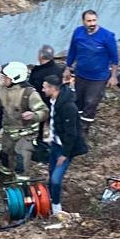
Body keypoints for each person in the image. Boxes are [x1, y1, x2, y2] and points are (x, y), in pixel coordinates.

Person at [42, 69, 87, 222]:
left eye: (45, 87)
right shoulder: (54, 101)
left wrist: (65, 154)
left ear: (53, 89)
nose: (43, 90)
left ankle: (56, 208)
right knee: (50, 176)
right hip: (55, 144)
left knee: (55, 179)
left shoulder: (68, 107)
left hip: (64, 149)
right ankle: (49, 203)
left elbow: (71, 133)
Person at [67, 10, 120, 124]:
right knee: (78, 99)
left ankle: (85, 126)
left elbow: (114, 58)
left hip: (98, 77)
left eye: (94, 20)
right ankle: (77, 121)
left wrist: (114, 76)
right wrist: (67, 68)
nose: (92, 23)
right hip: (81, 74)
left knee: (91, 101)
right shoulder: (78, 32)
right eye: (89, 21)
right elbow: (72, 51)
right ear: (83, 21)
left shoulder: (107, 36)